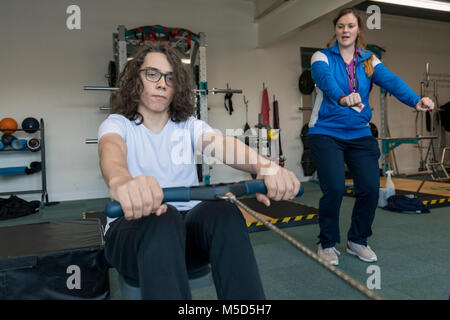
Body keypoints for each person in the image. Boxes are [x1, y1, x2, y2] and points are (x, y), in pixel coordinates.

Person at [97, 42, 301, 299]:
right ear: (135, 79)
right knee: (163, 216)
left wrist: (265, 166)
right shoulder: (117, 124)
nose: (162, 84)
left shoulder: (189, 126)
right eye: (152, 75)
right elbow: (111, 152)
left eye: (170, 78)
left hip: (185, 238)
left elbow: (221, 144)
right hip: (132, 237)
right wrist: (122, 181)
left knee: (223, 211)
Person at [308, 8, 434, 265]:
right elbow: (325, 81)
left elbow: (392, 81)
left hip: (359, 133)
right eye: (341, 26)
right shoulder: (321, 57)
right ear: (335, 29)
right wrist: (343, 97)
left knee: (368, 187)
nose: (345, 30)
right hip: (325, 132)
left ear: (358, 30)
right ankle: (327, 242)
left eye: (351, 26)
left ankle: (357, 240)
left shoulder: (368, 60)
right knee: (334, 187)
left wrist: (415, 100)